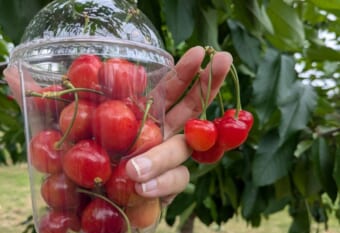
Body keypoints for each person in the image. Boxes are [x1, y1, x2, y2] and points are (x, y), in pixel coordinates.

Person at [3, 46, 233, 207]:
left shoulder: (132, 120)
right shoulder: (65, 118)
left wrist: (134, 202)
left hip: (115, 203)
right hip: (83, 202)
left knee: (141, 176)